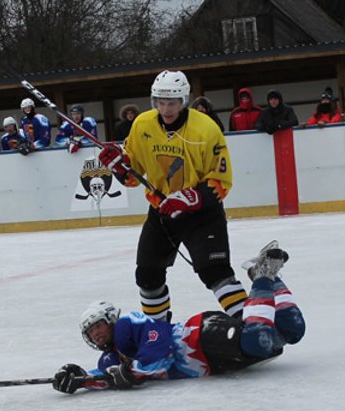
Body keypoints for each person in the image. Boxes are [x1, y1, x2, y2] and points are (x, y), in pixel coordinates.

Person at [52, 242, 304, 394]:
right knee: (292, 330)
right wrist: (80, 379)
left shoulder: (129, 325)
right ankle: (270, 277)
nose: (96, 333)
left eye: (97, 325)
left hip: (200, 337)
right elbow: (106, 375)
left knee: (257, 340)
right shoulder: (110, 357)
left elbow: (161, 347)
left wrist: (133, 372)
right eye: (90, 332)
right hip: (213, 363)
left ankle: (263, 276)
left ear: (110, 319)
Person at [98, 70, 247, 321]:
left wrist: (190, 197)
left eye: (173, 103)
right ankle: (158, 333)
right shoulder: (142, 125)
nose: (166, 109)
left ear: (184, 101)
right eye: (161, 102)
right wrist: (119, 166)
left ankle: (250, 322)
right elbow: (134, 175)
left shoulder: (206, 129)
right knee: (147, 275)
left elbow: (222, 181)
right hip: (162, 213)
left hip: (202, 215)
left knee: (215, 272)